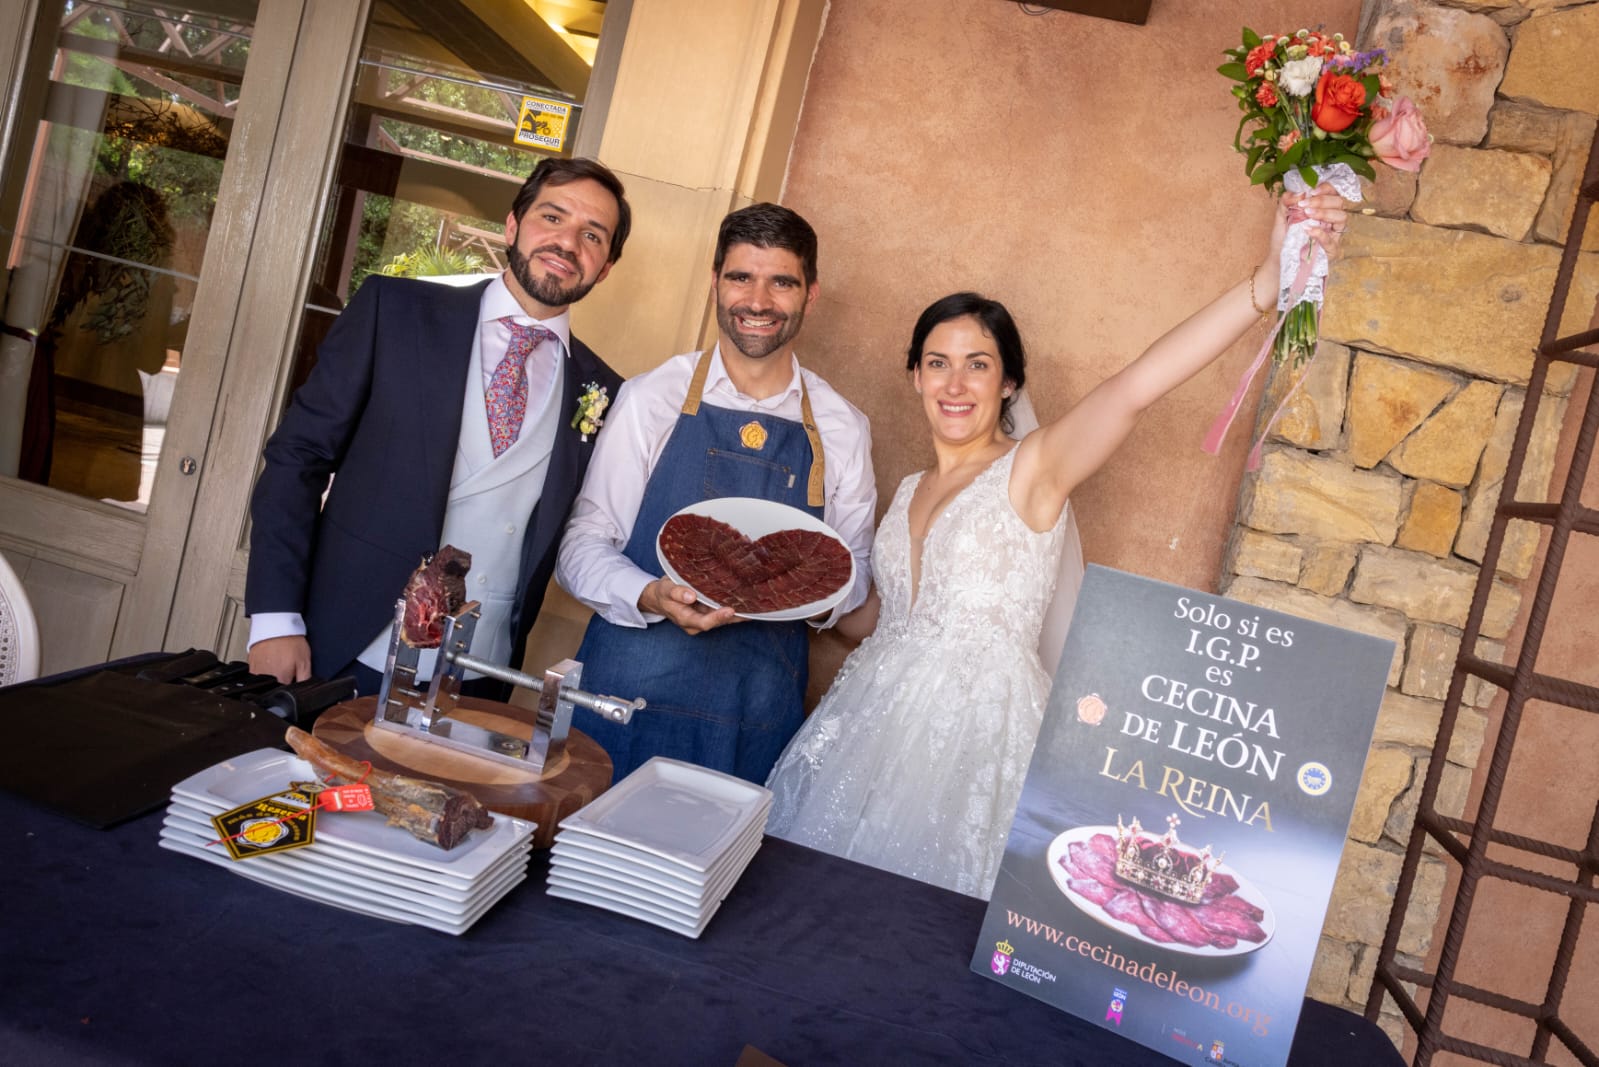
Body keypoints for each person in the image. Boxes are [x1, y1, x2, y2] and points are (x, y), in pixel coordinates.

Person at [764, 186, 1349, 899]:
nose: (954, 382)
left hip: (980, 737)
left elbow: (1133, 388)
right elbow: (886, 620)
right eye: (937, 361)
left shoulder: (1034, 468)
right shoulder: (910, 486)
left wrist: (1262, 286)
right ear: (913, 373)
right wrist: (792, 596)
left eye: (977, 363)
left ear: (1008, 381)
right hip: (868, 727)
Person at [245, 157, 630, 695]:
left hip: (480, 673)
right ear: (513, 225)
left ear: (605, 265)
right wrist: (275, 617)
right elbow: (298, 458)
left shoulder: (606, 390)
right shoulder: (394, 310)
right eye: (552, 218)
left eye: (592, 235)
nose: (567, 244)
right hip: (340, 645)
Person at [557, 203, 877, 784]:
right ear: (714, 284)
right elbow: (582, 546)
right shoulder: (651, 398)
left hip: (756, 707)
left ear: (811, 295)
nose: (758, 301)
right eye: (740, 278)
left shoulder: (841, 426)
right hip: (624, 693)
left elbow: (852, 575)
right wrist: (651, 594)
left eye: (782, 281)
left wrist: (804, 590)